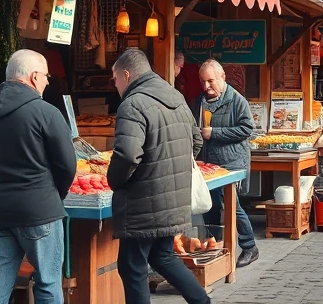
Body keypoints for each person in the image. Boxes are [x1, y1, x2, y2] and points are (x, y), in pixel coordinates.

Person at [107, 48, 209, 304]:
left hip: (142, 203)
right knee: (162, 256)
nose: (115, 84)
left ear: (127, 75)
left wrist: (114, 180)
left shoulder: (132, 104)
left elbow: (128, 156)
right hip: (173, 201)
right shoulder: (175, 96)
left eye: (115, 78)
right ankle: (202, 301)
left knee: (132, 268)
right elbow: (195, 142)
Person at [0, 50, 76, 304]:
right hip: (39, 212)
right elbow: (67, 166)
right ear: (33, 76)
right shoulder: (46, 113)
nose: (48, 82)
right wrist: (53, 196)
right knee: (48, 283)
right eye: (46, 77)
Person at [193, 59, 258, 268]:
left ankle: (249, 246)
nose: (206, 86)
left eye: (210, 81)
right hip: (207, 164)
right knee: (208, 205)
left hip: (231, 163)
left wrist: (215, 133)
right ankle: (213, 246)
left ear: (222, 78)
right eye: (203, 82)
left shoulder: (237, 101)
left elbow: (247, 129)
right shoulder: (198, 101)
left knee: (233, 206)